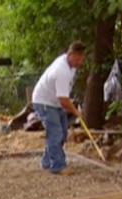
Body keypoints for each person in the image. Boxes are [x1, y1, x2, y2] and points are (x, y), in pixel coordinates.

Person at [32, 41, 86, 175]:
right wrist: (76, 112)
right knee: (56, 133)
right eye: (78, 59)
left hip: (54, 101)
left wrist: (72, 107)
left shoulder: (70, 65)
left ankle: (46, 161)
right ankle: (58, 166)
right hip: (44, 102)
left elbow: (63, 95)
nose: (80, 62)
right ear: (71, 55)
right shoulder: (62, 71)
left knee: (62, 132)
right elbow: (63, 100)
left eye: (82, 58)